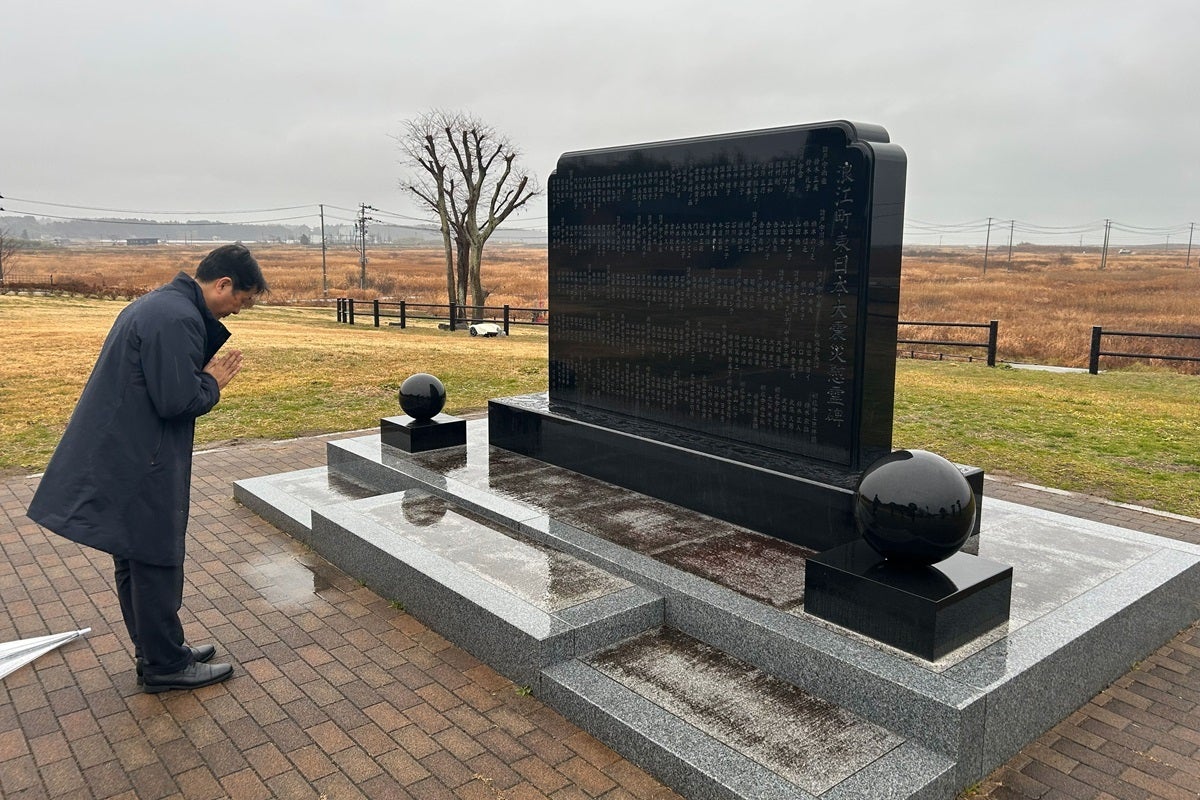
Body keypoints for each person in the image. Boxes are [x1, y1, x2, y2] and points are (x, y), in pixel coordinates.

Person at [27, 244, 267, 693]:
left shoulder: (160, 305)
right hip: (144, 459)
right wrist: (213, 382)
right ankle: (165, 664)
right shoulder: (175, 318)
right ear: (223, 284)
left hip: (128, 451)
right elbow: (178, 401)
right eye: (242, 300)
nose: (239, 310)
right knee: (155, 557)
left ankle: (158, 649)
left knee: (134, 555)